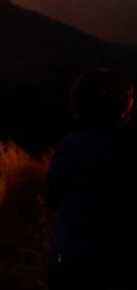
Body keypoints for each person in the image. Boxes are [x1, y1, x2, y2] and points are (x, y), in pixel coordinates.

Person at [47, 67, 134, 290]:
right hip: (122, 263)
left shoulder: (69, 147)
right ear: (125, 106)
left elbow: (52, 196)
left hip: (70, 260)